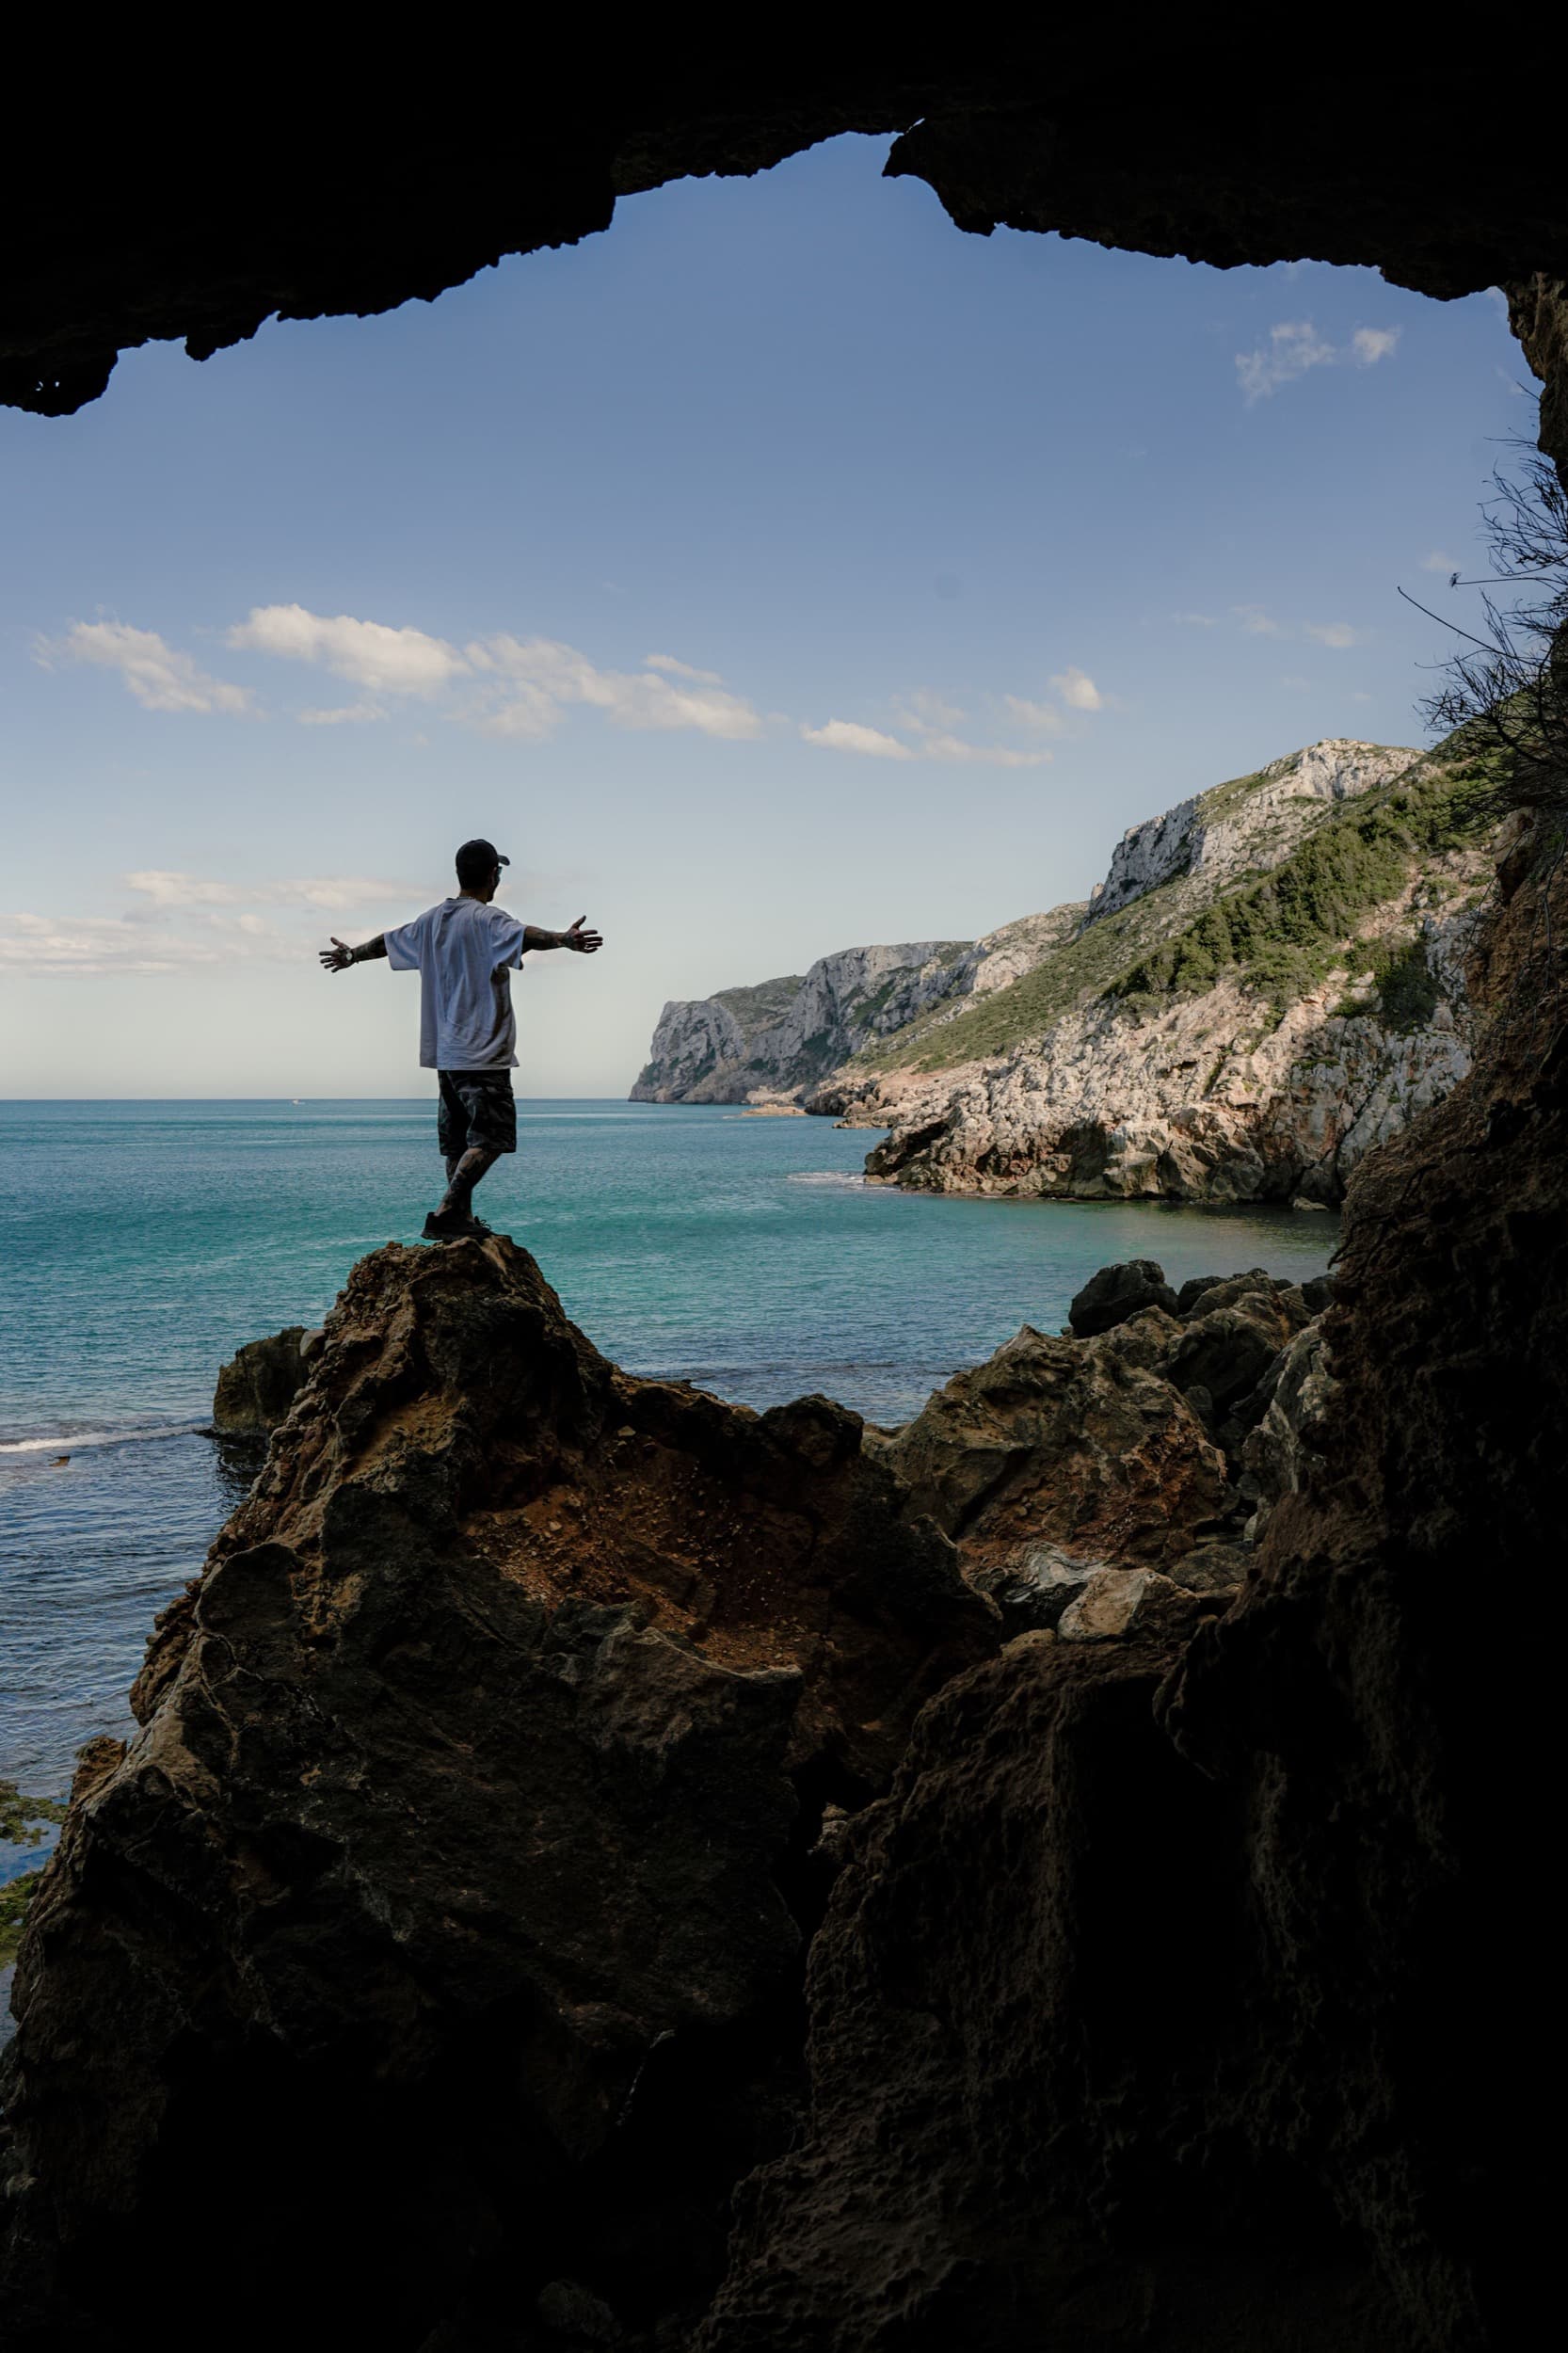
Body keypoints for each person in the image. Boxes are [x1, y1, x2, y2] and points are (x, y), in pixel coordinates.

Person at [319, 838, 602, 1240]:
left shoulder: (430, 921)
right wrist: (564, 939)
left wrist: (352, 956)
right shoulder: (487, 919)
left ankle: (462, 1222)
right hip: (482, 1052)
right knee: (492, 1137)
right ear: (493, 875)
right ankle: (447, 1213)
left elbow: (385, 943)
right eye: (498, 873)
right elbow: (527, 936)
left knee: (457, 1143)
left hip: (446, 1055)